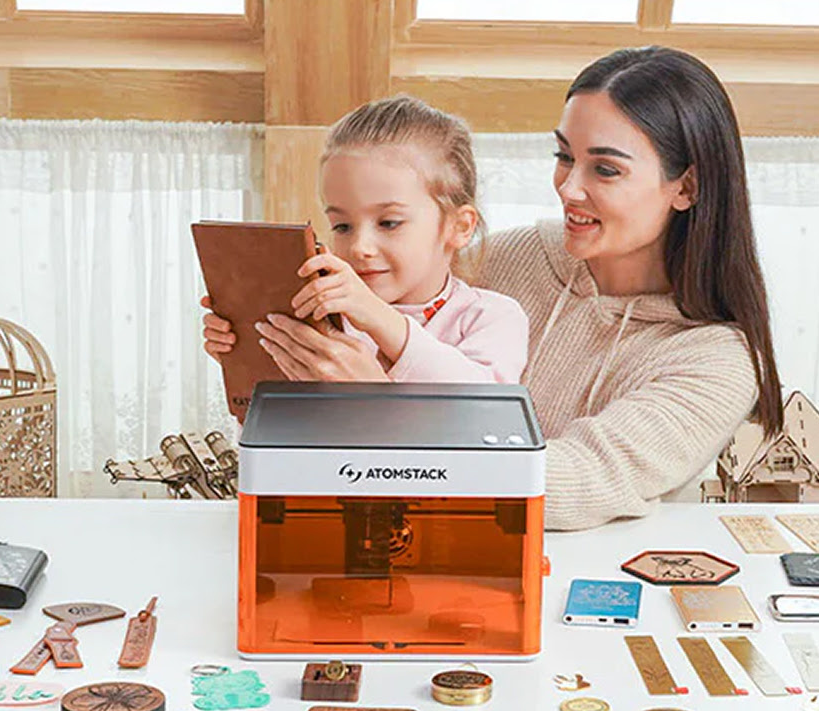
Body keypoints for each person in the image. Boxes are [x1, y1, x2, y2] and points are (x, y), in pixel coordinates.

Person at [253, 47, 784, 532]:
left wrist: (380, 406)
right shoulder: (511, 257)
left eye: (604, 169)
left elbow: (564, 486)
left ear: (686, 186)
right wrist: (267, 334)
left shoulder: (717, 361)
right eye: (564, 157)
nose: (569, 188)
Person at [201, 95, 528, 384]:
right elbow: (275, 428)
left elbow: (478, 413)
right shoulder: (323, 319)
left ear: (459, 226)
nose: (359, 248)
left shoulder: (491, 317)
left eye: (389, 223)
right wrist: (251, 359)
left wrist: (375, 326)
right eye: (342, 226)